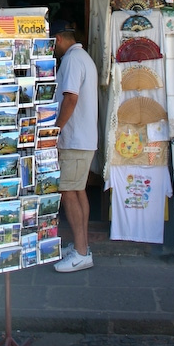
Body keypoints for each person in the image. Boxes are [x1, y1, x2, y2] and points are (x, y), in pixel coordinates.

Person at [50, 20, 98, 274]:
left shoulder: (71, 60)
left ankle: (80, 252)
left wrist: (55, 130)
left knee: (68, 191)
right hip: (83, 138)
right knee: (78, 191)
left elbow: (70, 98)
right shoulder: (82, 58)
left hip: (75, 139)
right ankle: (82, 247)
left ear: (58, 39)